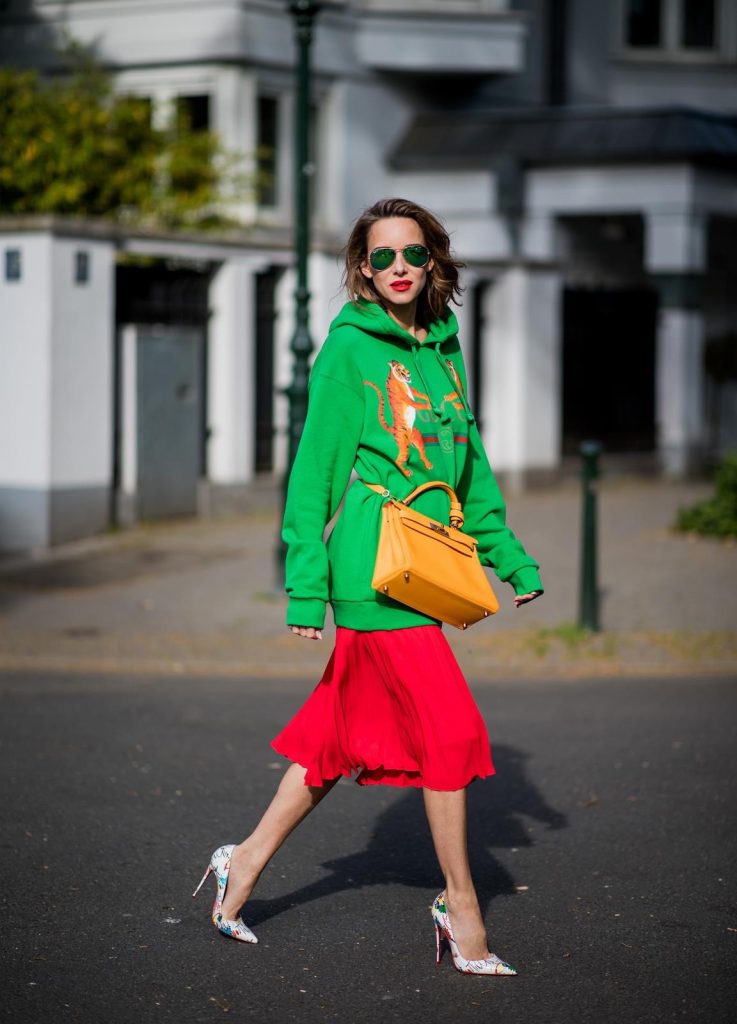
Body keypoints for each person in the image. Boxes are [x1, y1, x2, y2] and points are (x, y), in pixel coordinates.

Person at [193, 197, 543, 975]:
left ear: (432, 264)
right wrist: (303, 585)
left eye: (410, 255)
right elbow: (314, 469)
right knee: (447, 733)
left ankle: (241, 862)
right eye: (380, 257)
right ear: (359, 268)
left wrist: (509, 558)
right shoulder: (348, 350)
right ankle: (461, 907)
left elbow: (470, 470)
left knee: (332, 739)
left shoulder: (445, 352)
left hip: (429, 561)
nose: (396, 270)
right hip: (369, 567)